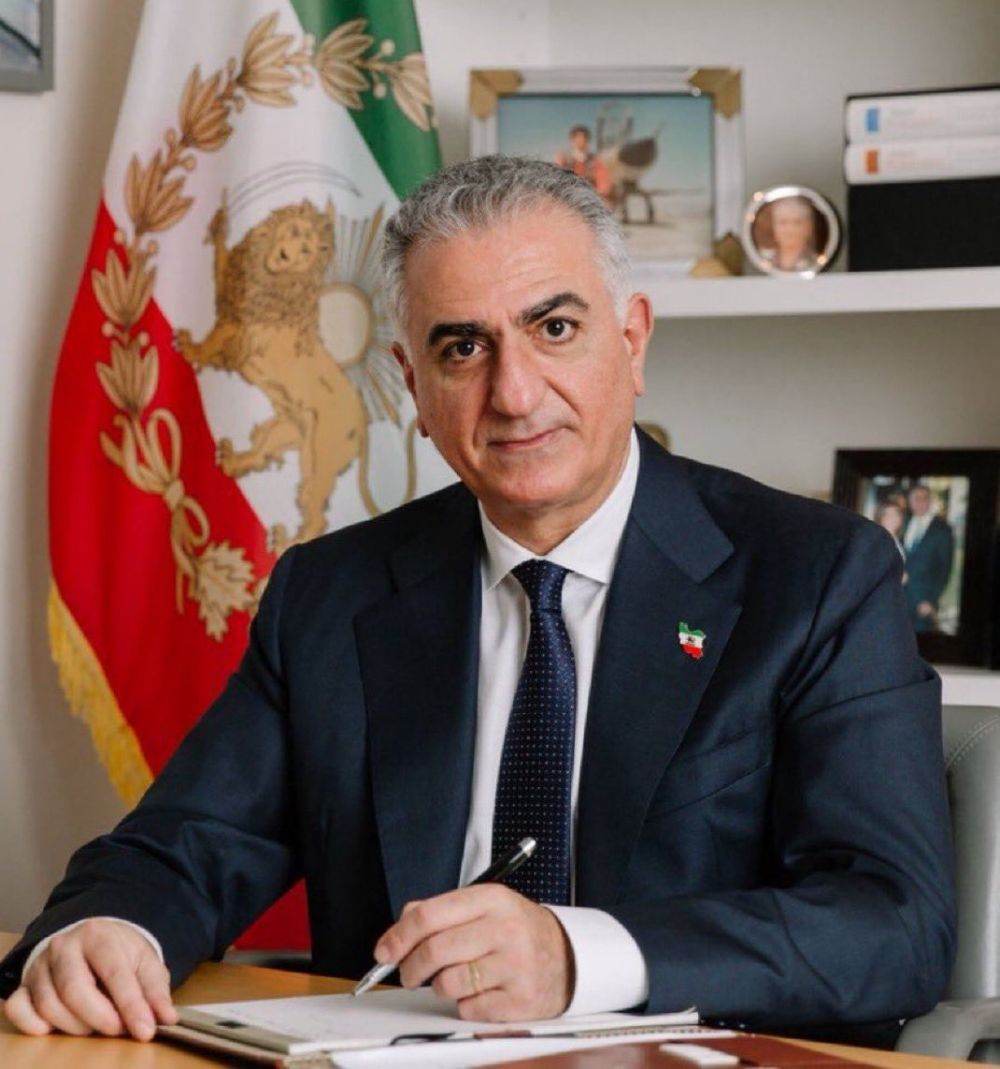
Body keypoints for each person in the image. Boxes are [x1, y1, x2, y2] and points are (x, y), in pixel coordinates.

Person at [1, 156, 954, 1047]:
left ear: (632, 340)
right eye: (464, 347)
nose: (514, 392)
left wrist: (576, 957)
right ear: (414, 387)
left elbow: (893, 923)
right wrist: (104, 930)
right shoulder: (331, 595)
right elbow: (183, 844)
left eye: (555, 328)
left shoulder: (817, 575)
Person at [902, 483, 955, 633]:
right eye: (916, 498)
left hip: (923, 603)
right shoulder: (903, 523)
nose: (920, 502)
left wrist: (931, 600)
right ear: (910, 501)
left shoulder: (943, 529)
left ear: (930, 501)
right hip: (899, 600)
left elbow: (945, 569)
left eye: (924, 498)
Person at [554, 124, 614, 205]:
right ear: (572, 140)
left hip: (590, 199)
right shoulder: (564, 159)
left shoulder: (595, 161)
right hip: (568, 199)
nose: (581, 141)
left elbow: (603, 182)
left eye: (584, 138)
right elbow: (557, 179)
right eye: (577, 138)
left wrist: (598, 195)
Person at [757, 196, 819, 273]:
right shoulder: (762, 260)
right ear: (773, 226)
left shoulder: (816, 262)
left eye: (797, 223)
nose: (789, 230)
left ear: (808, 228)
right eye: (783, 222)